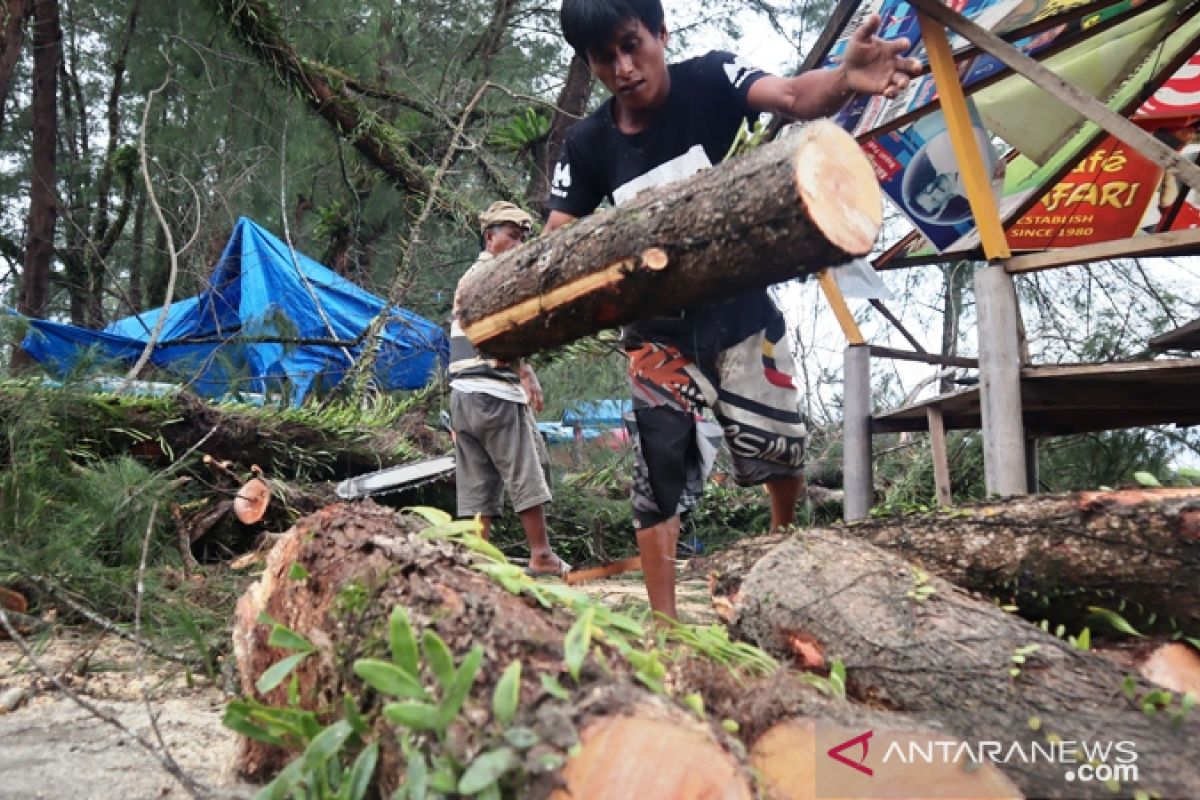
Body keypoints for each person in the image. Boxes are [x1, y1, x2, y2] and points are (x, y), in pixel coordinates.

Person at [545, 0, 921, 619]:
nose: (623, 67)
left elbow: (797, 96)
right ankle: (666, 627)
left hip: (743, 315)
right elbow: (558, 238)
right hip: (656, 336)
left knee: (778, 448)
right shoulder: (587, 144)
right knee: (658, 469)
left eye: (631, 44)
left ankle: (781, 548)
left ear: (660, 33)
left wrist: (847, 78)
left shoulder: (712, 78)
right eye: (602, 57)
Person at [450, 201, 570, 577]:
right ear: (490, 236)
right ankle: (541, 554)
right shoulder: (496, 274)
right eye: (512, 236)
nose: (518, 245)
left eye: (522, 238)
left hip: (463, 393)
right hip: (492, 391)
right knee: (525, 470)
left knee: (477, 481)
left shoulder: (470, 275)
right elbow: (497, 330)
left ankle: (479, 558)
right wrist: (523, 369)